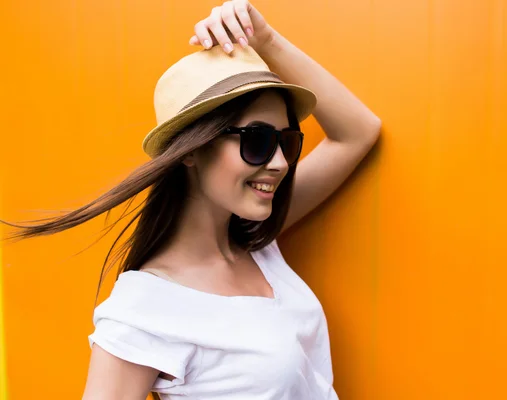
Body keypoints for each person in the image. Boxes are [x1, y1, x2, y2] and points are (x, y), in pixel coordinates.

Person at [1, 1, 381, 398]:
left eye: (287, 141)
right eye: (257, 141)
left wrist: (265, 40)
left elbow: (358, 131)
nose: (280, 163)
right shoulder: (144, 308)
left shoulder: (255, 241)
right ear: (190, 150)